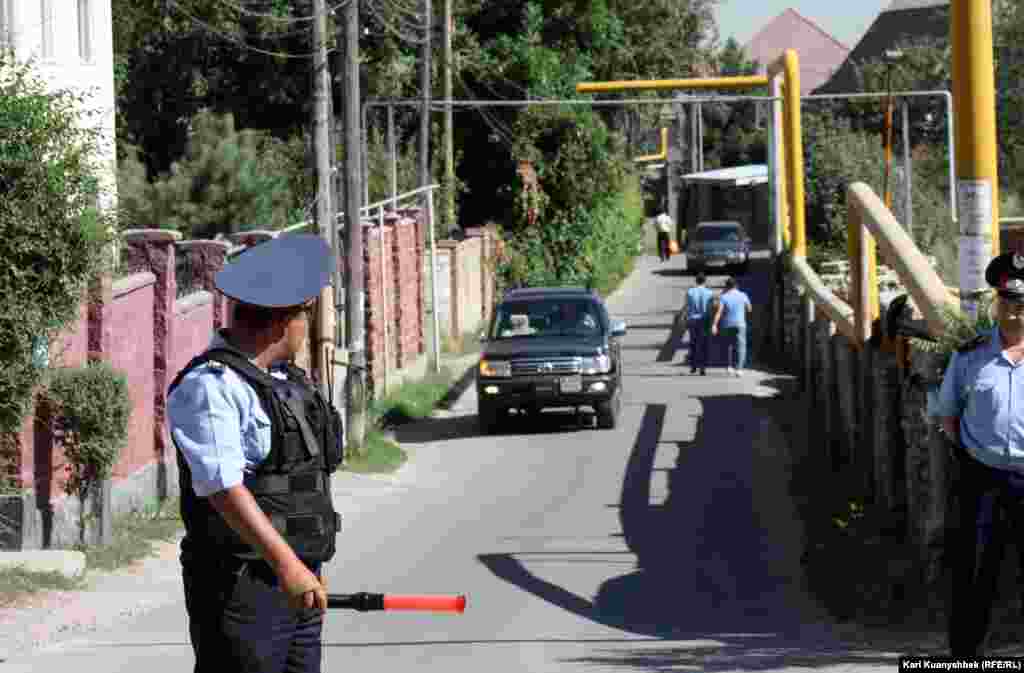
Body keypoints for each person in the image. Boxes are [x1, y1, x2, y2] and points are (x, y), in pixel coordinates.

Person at [167, 234, 345, 673]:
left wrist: (303, 564)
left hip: (295, 580)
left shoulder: (283, 383)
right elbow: (222, 489)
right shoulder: (211, 388)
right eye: (306, 312)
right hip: (241, 587)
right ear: (283, 320)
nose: (308, 323)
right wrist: (288, 565)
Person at [933, 251, 1024, 656]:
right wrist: (969, 459)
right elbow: (948, 415)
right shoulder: (969, 355)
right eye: (1008, 303)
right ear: (997, 303)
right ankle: (966, 658)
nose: (1016, 313)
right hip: (982, 478)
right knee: (972, 573)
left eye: (1023, 305)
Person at [711, 276, 752, 377]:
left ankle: (729, 366)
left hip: (727, 324)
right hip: (740, 324)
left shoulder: (724, 297)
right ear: (736, 286)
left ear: (726, 286)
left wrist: (714, 325)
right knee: (741, 347)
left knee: (727, 346)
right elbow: (749, 308)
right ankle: (739, 369)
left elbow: (719, 312)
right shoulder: (743, 295)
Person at [683, 272, 713, 375]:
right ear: (705, 281)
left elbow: (686, 306)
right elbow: (710, 309)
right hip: (704, 320)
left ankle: (693, 366)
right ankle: (703, 368)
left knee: (693, 343)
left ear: (696, 281)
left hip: (693, 319)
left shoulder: (690, 292)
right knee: (704, 344)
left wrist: (684, 318)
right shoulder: (709, 293)